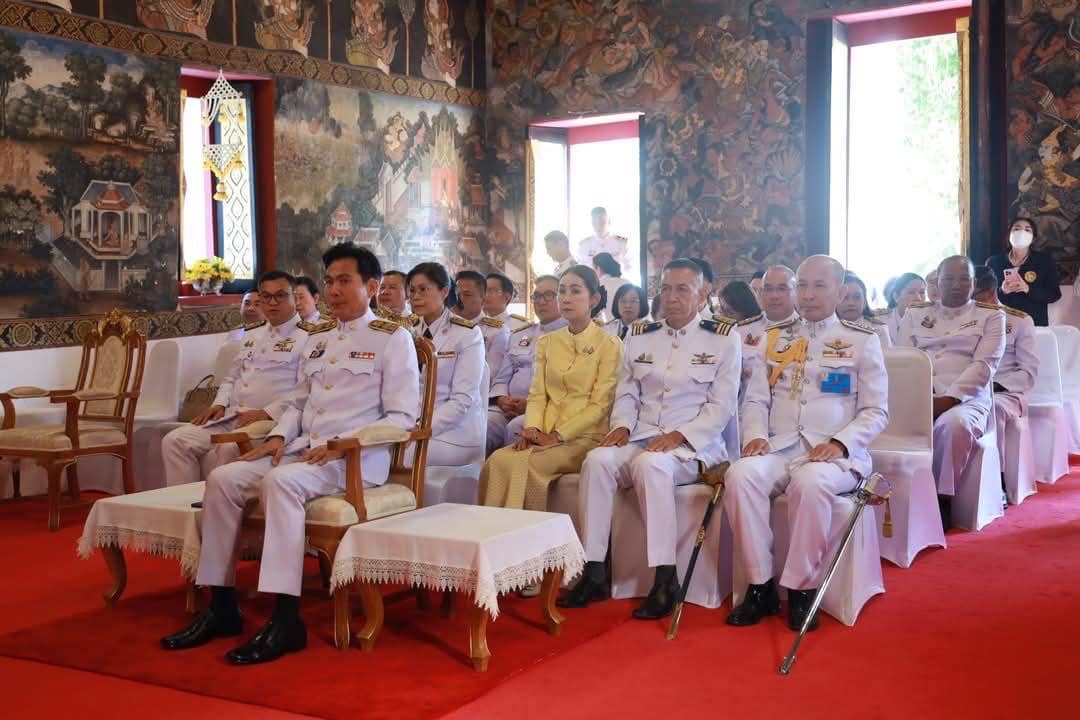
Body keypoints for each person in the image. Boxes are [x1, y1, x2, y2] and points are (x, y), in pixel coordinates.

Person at [161, 244, 420, 664]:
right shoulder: (318, 341)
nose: (334, 290)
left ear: (371, 287)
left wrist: (344, 444)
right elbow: (299, 402)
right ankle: (221, 605)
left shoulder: (393, 340)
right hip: (303, 451)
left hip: (351, 460)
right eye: (330, 281)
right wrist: (279, 436)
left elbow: (402, 417)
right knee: (224, 480)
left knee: (279, 483)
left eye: (344, 281)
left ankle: (286, 619)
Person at [562, 259, 742, 620]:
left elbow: (721, 407)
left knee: (651, 465)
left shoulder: (723, 338)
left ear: (702, 293)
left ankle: (664, 579)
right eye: (665, 288)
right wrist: (622, 427)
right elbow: (627, 393)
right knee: (596, 461)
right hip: (641, 436)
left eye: (682, 289)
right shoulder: (641, 334)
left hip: (694, 447)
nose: (670, 297)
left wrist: (680, 435)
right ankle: (594, 569)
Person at [723, 255, 888, 632]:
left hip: (834, 455)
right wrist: (756, 437)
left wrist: (840, 443)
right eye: (804, 286)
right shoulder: (774, 338)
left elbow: (876, 411)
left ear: (840, 290)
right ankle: (759, 585)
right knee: (740, 476)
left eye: (819, 286)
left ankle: (801, 589)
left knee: (811, 484)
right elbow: (755, 401)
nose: (809, 295)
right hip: (780, 447)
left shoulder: (861, 341)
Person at [480, 265, 621, 513]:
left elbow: (600, 406)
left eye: (575, 291)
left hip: (583, 437)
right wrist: (532, 429)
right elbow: (537, 394)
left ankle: (530, 540)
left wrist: (556, 436)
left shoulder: (609, 344)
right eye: (562, 291)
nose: (566, 298)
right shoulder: (548, 342)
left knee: (528, 465)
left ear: (594, 299)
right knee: (497, 461)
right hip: (543, 432)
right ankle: (494, 538)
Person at [162, 271, 309, 488]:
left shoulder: (309, 337)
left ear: (295, 298)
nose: (272, 303)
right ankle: (185, 506)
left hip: (269, 420)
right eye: (265, 297)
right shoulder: (253, 334)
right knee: (174, 441)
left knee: (228, 447)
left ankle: (214, 505)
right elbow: (232, 377)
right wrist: (219, 403)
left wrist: (265, 412)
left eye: (280, 296)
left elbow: (303, 391)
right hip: (232, 415)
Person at [895, 256, 1005, 522]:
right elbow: (903, 358)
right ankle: (895, 498)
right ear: (937, 283)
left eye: (964, 279)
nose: (956, 285)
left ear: (974, 283)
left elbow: (984, 366)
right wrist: (921, 397)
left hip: (968, 399)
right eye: (948, 279)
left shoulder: (991, 316)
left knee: (951, 425)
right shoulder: (916, 314)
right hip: (920, 393)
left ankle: (940, 500)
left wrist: (949, 399)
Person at [410, 264, 486, 465]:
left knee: (393, 455)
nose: (415, 296)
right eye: (412, 290)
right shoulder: (407, 331)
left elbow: (462, 400)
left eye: (423, 289)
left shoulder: (466, 333)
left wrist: (421, 428)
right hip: (410, 424)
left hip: (453, 433)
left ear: (444, 291)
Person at [486, 276, 567, 454]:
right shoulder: (521, 335)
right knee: (483, 425)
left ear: (563, 298)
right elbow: (502, 378)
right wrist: (501, 399)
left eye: (548, 295)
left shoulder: (572, 335)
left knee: (516, 429)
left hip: (546, 410)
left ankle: (511, 480)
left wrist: (530, 404)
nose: (541, 301)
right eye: (536, 296)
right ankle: (477, 480)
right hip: (507, 408)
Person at [973, 266, 1038, 470]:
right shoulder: (964, 320)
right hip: (969, 388)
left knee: (994, 407)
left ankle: (996, 476)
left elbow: (1028, 372)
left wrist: (995, 386)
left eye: (973, 295)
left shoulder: (1019, 321)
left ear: (990, 293)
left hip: (1006, 392)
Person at [986, 217, 1062, 326]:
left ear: (1033, 238)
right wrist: (1001, 290)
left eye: (1027, 230)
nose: (1022, 233)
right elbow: (984, 297)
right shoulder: (994, 262)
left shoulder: (1044, 261)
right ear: (1009, 234)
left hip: (1034, 324)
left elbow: (1054, 295)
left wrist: (1028, 289)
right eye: (1017, 229)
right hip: (1001, 325)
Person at [455, 270, 510, 388]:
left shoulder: (497, 331)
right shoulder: (447, 327)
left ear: (483, 299)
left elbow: (490, 375)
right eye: (457, 295)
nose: (459, 300)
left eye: (467, 295)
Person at [838, 272, 891, 349]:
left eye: (857, 297)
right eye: (845, 298)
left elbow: (887, 359)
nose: (851, 303)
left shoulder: (878, 329)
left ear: (865, 302)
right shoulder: (826, 327)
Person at [578, 206, 630, 271]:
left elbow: (628, 267)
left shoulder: (621, 242)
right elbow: (581, 268)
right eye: (594, 223)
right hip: (592, 280)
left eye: (601, 222)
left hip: (615, 280)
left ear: (609, 221)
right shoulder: (585, 244)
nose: (598, 226)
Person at [881, 272, 926, 344]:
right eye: (911, 292)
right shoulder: (882, 321)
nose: (918, 298)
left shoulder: (931, 319)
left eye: (922, 292)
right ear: (896, 296)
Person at [594, 252, 629, 322]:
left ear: (598, 268)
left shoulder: (596, 285)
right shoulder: (626, 282)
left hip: (607, 327)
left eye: (594, 268)